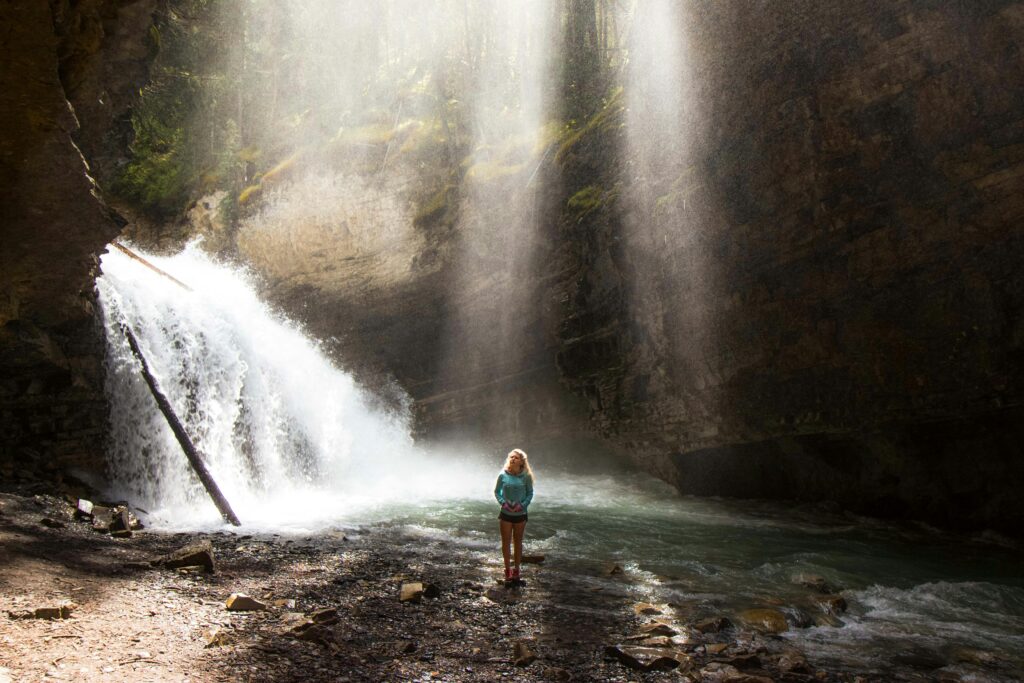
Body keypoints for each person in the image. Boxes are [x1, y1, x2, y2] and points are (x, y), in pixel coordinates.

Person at [494, 448, 534, 585]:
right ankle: (507, 570)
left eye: (516, 457)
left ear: (522, 461)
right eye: (511, 457)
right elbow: (497, 492)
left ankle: (516, 570)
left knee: (518, 542)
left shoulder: (526, 476)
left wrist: (522, 506)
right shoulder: (502, 475)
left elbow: (530, 494)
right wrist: (503, 503)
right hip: (505, 513)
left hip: (520, 514)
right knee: (505, 542)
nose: (512, 459)